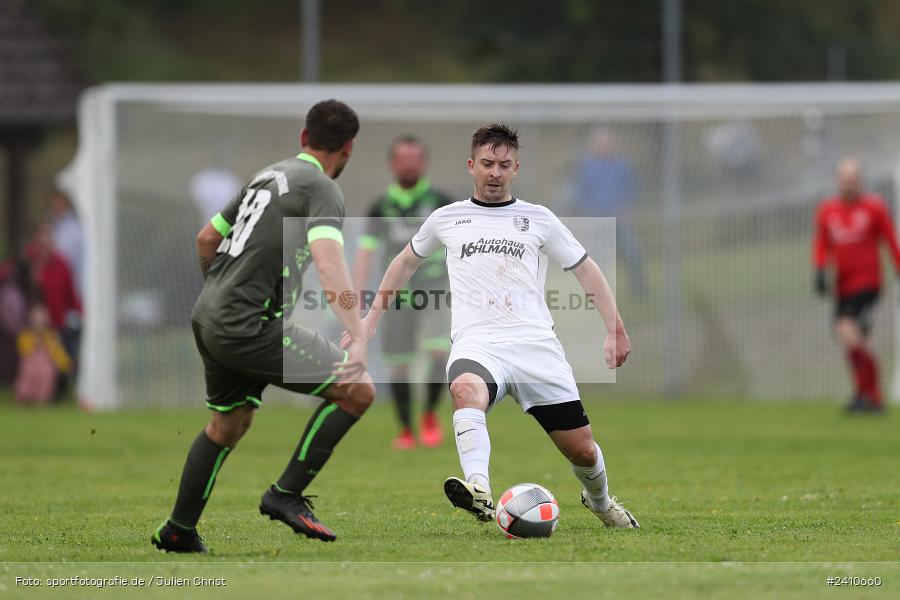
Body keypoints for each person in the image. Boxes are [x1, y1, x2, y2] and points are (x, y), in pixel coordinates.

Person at [348, 124, 640, 529]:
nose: (495, 173)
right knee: (465, 390)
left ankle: (602, 502)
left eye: (504, 165)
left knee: (583, 451)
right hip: (478, 343)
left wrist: (615, 329)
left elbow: (585, 269)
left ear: (516, 168)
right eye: (487, 163)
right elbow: (403, 263)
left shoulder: (538, 219)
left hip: (536, 346)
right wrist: (370, 320)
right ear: (472, 165)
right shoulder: (446, 218)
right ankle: (479, 490)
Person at [151, 99, 375, 554]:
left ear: (302, 137)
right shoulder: (321, 187)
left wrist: (221, 289)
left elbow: (207, 238)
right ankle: (285, 495)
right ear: (348, 148)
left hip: (208, 314)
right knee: (358, 389)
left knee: (228, 423)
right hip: (248, 324)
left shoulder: (268, 174)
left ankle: (178, 530)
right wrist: (360, 331)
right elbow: (330, 264)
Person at [353, 136, 453, 449]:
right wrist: (358, 294)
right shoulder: (380, 206)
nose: (409, 164)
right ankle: (407, 429)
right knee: (399, 363)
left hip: (436, 288)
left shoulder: (442, 201)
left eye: (415, 159)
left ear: (424, 163)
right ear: (392, 164)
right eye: (403, 159)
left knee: (440, 351)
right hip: (397, 294)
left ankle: (429, 415)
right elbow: (367, 252)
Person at [812, 158, 900, 413]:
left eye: (853, 180)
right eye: (845, 180)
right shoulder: (827, 210)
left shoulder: (874, 208)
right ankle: (865, 395)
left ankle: (872, 394)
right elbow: (821, 244)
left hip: (868, 283)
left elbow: (891, 240)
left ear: (861, 181)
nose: (849, 185)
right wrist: (819, 270)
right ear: (838, 181)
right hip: (842, 286)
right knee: (850, 339)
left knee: (847, 330)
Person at [572, 128, 646, 298]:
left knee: (632, 252)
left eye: (606, 143)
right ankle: (599, 294)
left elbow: (632, 190)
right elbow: (581, 193)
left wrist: (626, 209)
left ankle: (640, 292)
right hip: (596, 219)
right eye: (599, 144)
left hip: (618, 220)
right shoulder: (586, 167)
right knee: (596, 259)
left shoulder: (622, 165)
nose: (602, 147)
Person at [14, 303, 72, 406]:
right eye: (36, 318)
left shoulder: (50, 335)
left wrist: (65, 363)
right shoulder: (26, 334)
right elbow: (23, 350)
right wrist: (35, 341)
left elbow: (57, 351)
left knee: (47, 375)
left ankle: (42, 400)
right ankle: (24, 399)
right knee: (27, 378)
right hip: (30, 364)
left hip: (45, 365)